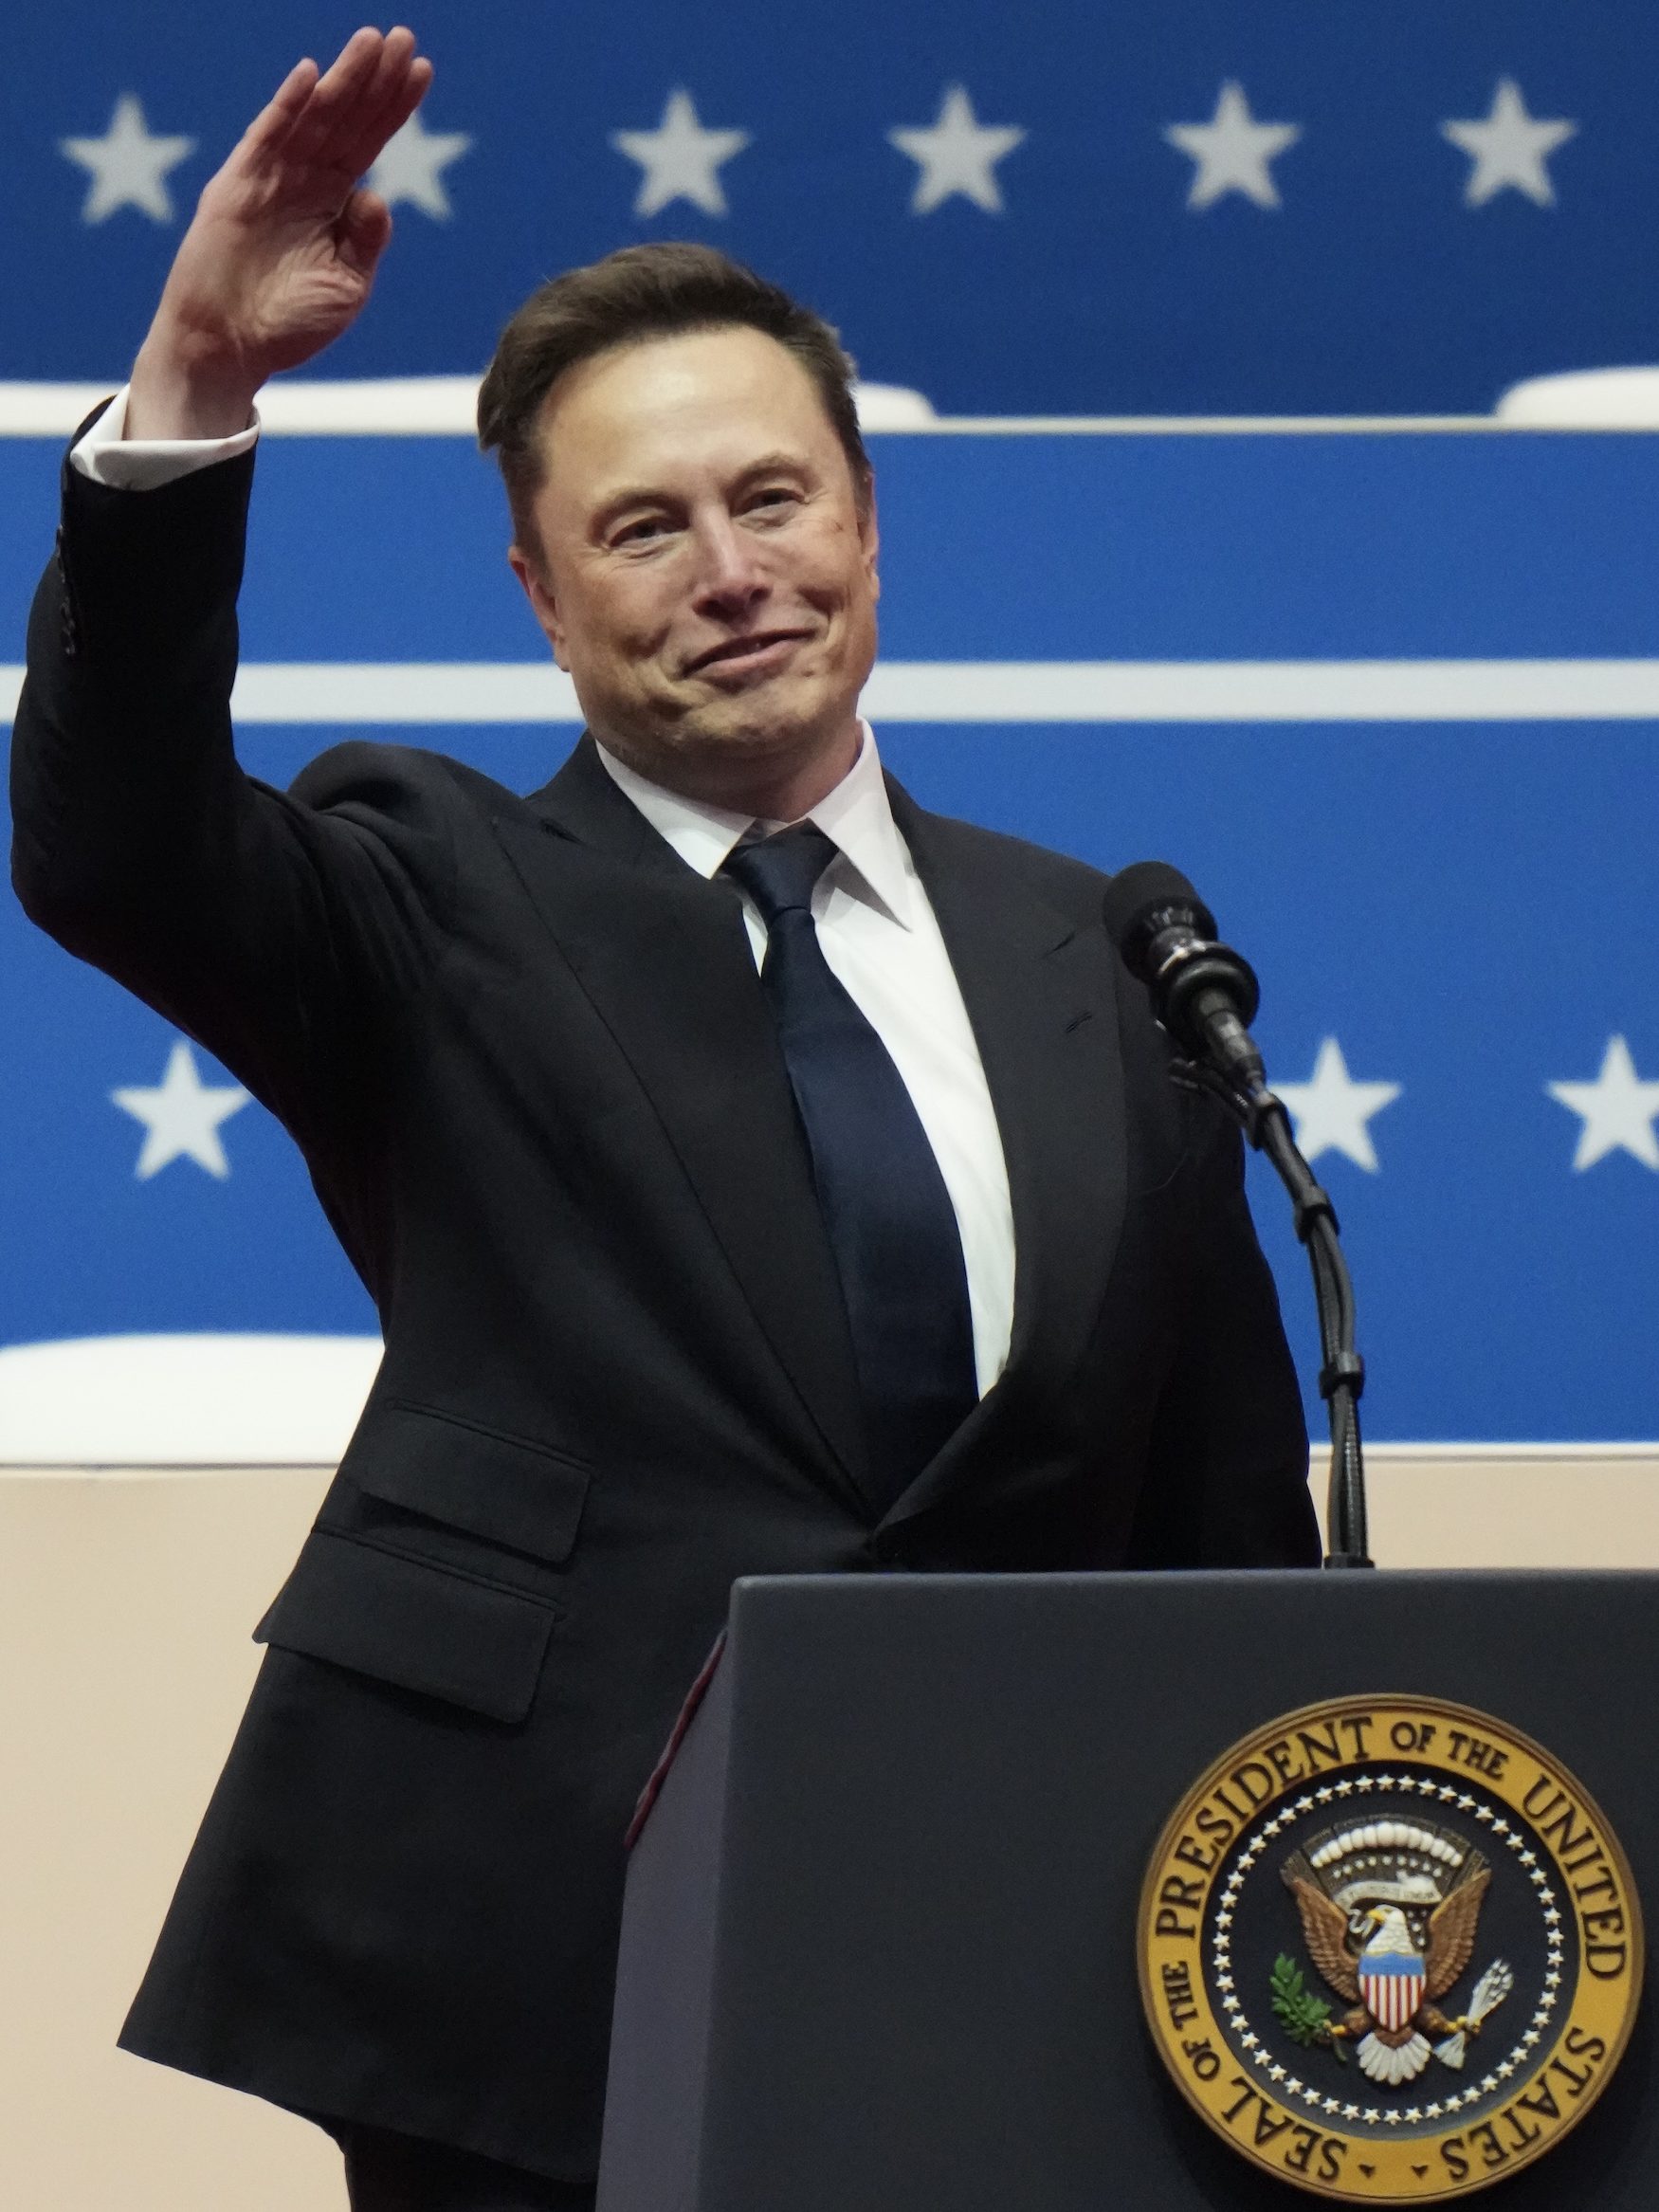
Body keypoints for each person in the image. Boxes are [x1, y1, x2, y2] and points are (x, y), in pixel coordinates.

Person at [9, 26, 1318, 2212]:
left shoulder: (1102, 952)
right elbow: (113, 847)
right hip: (527, 1961)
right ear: (540, 601)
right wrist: (194, 388)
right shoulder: (425, 887)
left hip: (1030, 1953)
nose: (730, 573)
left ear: (865, 526)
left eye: (771, 499)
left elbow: (1218, 1521)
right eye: (641, 528)